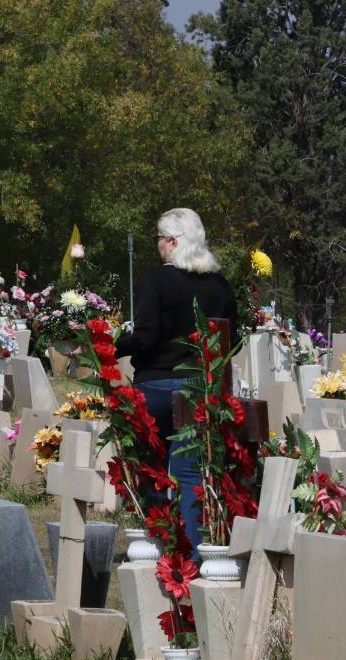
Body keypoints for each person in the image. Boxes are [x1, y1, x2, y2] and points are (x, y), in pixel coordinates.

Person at [115, 208, 238, 555]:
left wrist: (111, 345)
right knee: (190, 477)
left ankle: (157, 547)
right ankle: (197, 555)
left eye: (159, 239)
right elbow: (233, 338)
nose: (158, 246)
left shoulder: (155, 281)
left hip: (155, 386)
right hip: (199, 389)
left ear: (171, 241)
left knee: (153, 471)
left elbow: (146, 336)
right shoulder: (219, 285)